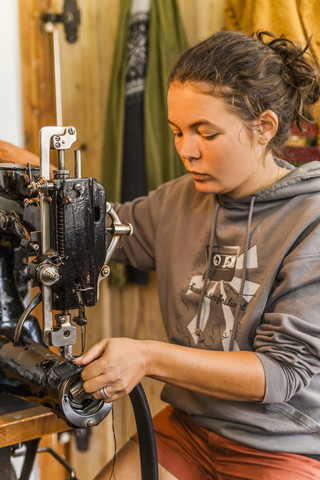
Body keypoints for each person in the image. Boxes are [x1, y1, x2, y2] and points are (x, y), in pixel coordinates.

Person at [74, 30, 320, 479]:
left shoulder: (311, 219)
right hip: (190, 428)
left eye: (206, 133)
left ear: (263, 128)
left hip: (279, 444)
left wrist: (148, 356)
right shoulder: (178, 200)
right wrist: (39, 180)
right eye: (177, 132)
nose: (186, 150)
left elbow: (280, 373)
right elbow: (97, 226)